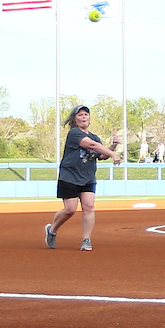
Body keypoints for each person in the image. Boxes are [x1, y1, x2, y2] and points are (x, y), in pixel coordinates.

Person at [45, 104, 121, 252]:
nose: (84, 117)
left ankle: (86, 240)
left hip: (88, 177)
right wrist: (113, 154)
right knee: (70, 210)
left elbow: (101, 155)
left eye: (86, 114)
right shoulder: (74, 133)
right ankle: (52, 230)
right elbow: (91, 145)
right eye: (80, 115)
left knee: (89, 206)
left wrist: (112, 147)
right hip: (70, 176)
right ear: (75, 119)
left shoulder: (94, 137)